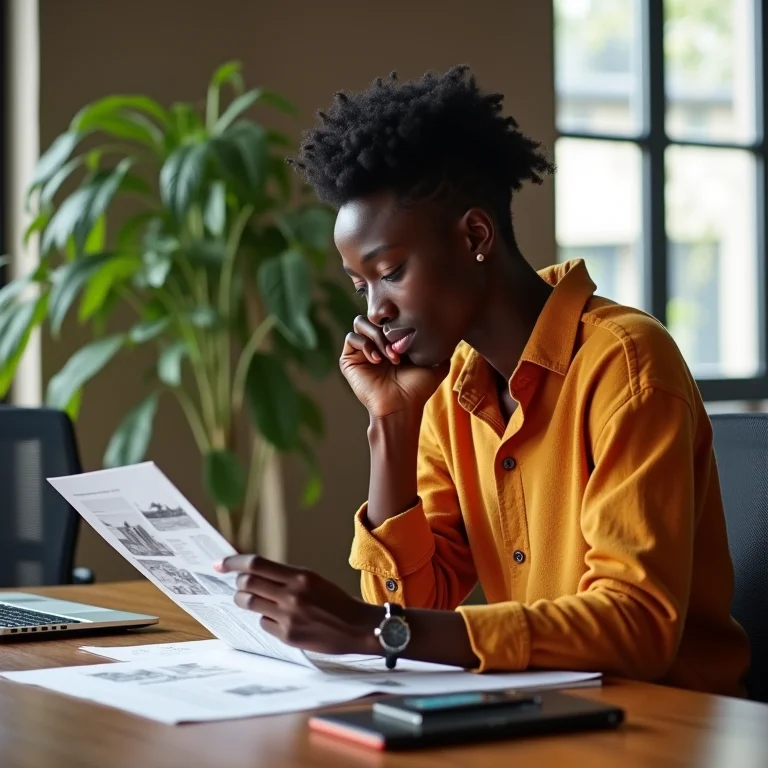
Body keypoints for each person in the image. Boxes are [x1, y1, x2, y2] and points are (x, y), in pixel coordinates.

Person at [216, 66, 750, 696]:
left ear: (474, 235)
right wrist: (390, 422)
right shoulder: (446, 391)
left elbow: (636, 625)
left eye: (390, 271)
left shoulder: (626, 364)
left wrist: (374, 631)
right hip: (542, 712)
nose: (373, 311)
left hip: (666, 727)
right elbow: (415, 598)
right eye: (360, 286)